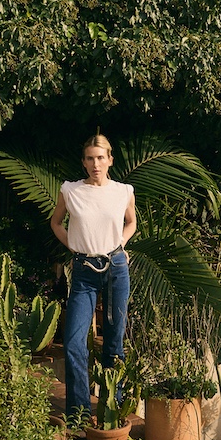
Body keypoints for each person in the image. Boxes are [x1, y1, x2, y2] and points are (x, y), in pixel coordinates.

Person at [50, 134, 137, 423]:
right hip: (84, 272)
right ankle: (79, 414)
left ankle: (112, 411)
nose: (95, 164)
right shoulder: (71, 191)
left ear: (110, 160)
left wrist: (121, 243)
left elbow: (131, 222)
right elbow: (56, 222)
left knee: (114, 343)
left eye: (100, 158)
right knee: (74, 342)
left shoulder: (123, 191)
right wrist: (73, 246)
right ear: (84, 162)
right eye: (90, 158)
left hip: (116, 269)